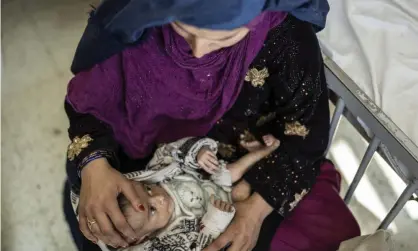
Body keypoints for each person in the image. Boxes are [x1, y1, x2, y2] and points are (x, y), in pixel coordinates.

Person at [63, 1, 339, 251]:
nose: (197, 52)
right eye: (184, 30)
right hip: (138, 154)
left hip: (237, 169)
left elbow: (306, 134)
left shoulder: (286, 37)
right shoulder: (139, 16)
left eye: (227, 36)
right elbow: (90, 103)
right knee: (100, 221)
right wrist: (93, 166)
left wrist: (254, 211)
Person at [75, 135, 279, 251]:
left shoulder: (159, 177)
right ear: (139, 239)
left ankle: (262, 152)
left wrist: (197, 154)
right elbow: (200, 243)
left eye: (147, 190)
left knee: (232, 171)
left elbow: (168, 152)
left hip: (212, 176)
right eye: (152, 210)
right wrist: (214, 220)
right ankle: (267, 161)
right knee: (241, 192)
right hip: (223, 202)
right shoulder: (172, 237)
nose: (159, 198)